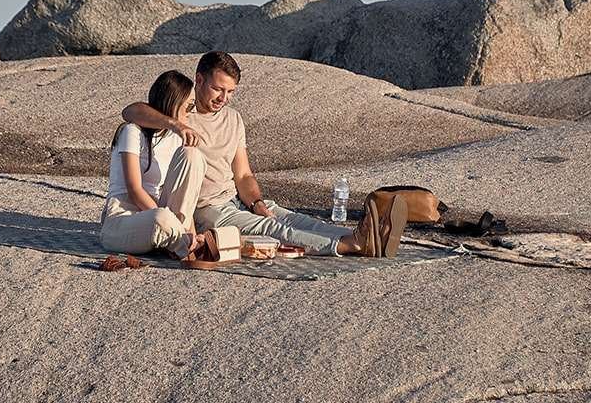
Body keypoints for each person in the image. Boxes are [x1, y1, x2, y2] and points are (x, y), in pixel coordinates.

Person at [122, 51, 407, 257]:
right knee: (272, 229)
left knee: (293, 219)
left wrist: (256, 201)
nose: (223, 98)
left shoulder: (233, 118)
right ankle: (350, 245)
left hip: (236, 200)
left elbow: (243, 174)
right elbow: (131, 111)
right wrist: (174, 124)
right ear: (199, 80)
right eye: (218, 89)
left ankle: (363, 236)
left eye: (231, 92)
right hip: (207, 210)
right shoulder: (182, 111)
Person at [100, 70, 207, 259]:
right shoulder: (133, 131)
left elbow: (184, 196)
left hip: (163, 217)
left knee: (193, 155)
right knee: (161, 218)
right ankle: (183, 243)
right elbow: (134, 190)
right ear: (173, 103)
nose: (192, 112)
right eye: (189, 106)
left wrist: (189, 230)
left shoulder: (175, 139)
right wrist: (174, 225)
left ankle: (183, 242)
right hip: (124, 217)